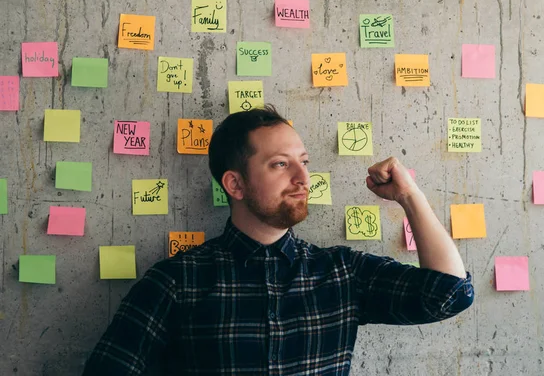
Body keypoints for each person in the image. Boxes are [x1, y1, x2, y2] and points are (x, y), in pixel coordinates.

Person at [82, 106, 474, 375]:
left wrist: (409, 196)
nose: (303, 179)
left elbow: (449, 295)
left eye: (304, 161)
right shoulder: (176, 281)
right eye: (281, 164)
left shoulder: (342, 273)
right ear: (235, 184)